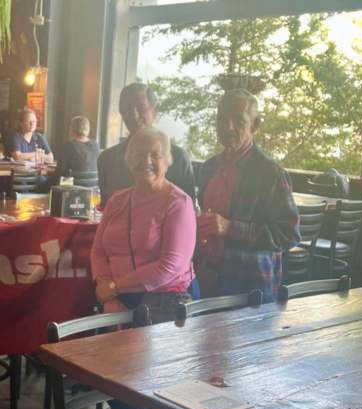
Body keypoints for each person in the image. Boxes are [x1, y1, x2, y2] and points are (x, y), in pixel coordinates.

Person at [196, 89, 300, 302]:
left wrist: (230, 227)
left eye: (237, 120)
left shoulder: (270, 173)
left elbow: (289, 235)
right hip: (207, 282)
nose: (228, 127)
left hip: (251, 291)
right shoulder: (208, 168)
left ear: (255, 125)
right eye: (222, 119)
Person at [91, 127, 194, 324]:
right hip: (115, 298)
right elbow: (98, 251)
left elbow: (170, 266)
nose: (146, 161)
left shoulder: (179, 203)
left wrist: (114, 287)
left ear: (168, 161)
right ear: (129, 161)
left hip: (164, 300)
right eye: (138, 155)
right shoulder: (117, 200)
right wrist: (108, 294)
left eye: (155, 155)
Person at [96, 83, 195, 204]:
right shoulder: (107, 159)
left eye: (141, 108)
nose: (134, 115)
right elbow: (105, 209)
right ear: (121, 112)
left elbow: (188, 210)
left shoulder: (178, 158)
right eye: (127, 108)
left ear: (155, 110)